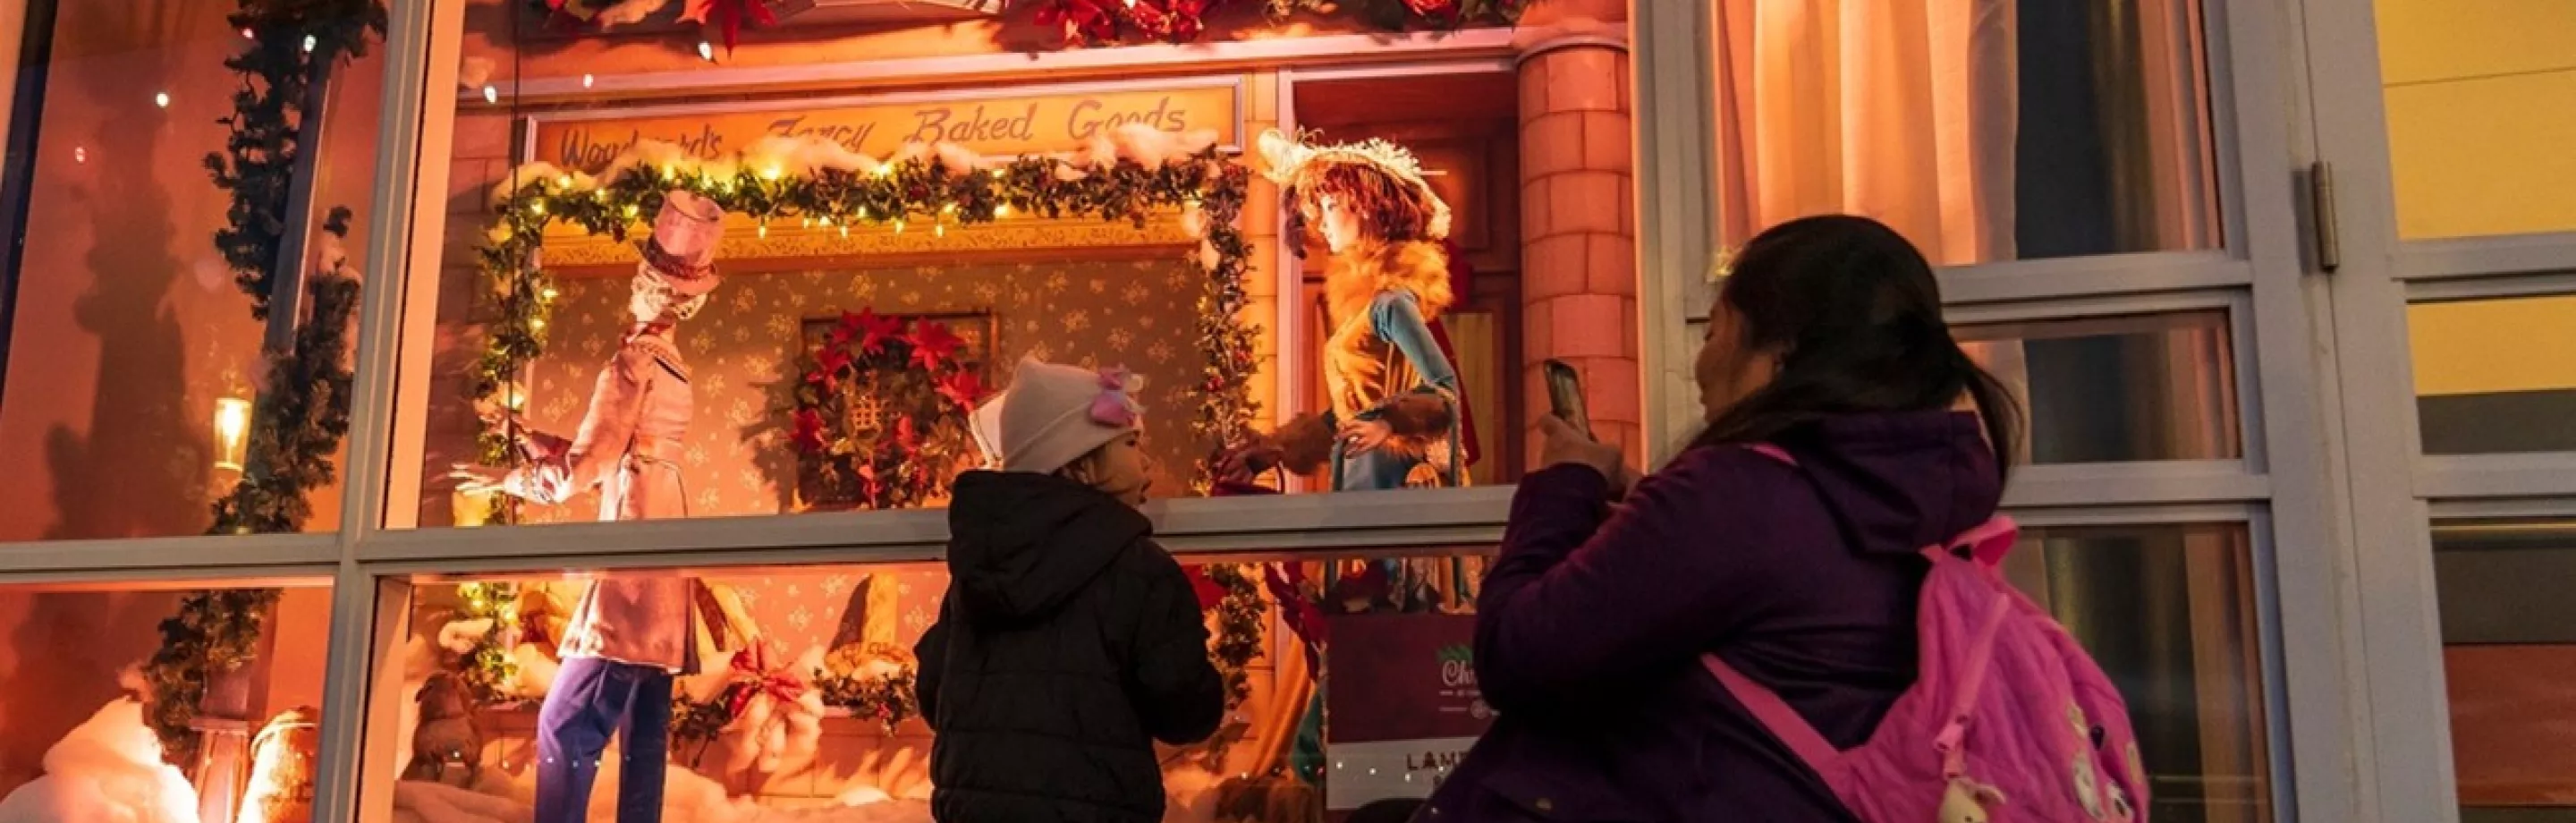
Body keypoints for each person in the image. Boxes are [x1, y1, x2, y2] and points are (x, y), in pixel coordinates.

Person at [1420, 215, 2022, 821]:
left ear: (1779, 356)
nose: (1701, 365)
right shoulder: (1916, 500)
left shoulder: (1737, 492)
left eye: (1714, 332)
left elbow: (1516, 656)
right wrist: (1649, 511)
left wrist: (1561, 484)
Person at [458, 190, 758, 823]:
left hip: (629, 578)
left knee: (563, 727)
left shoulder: (632, 362)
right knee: (642, 742)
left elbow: (583, 472)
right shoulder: (674, 368)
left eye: (645, 278)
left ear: (651, 287)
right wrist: (537, 438)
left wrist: (506, 479)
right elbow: (629, 456)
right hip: (663, 569)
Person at [914, 358, 1227, 823]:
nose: (1146, 461)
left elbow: (933, 695)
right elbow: (1185, 712)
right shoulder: (1139, 569)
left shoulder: (979, 566)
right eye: (1131, 442)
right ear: (1080, 464)